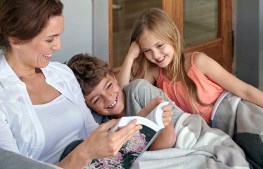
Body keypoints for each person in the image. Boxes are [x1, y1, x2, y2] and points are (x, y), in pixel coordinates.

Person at [0, 0, 159, 168]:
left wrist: (136, 124)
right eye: (49, 40)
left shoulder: (62, 74)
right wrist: (85, 153)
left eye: (59, 35)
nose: (58, 46)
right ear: (15, 39)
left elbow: (92, 132)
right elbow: (12, 165)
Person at [117, 8, 263, 138]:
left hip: (236, 116)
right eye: (147, 50)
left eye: (159, 45)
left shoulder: (197, 62)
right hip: (212, 134)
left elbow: (245, 91)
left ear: (172, 37)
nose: (155, 55)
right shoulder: (156, 74)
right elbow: (126, 92)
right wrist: (130, 56)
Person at [67, 53, 176, 151]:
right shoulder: (104, 126)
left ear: (114, 77)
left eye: (109, 85)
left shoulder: (138, 90)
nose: (108, 98)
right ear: (88, 107)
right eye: (96, 99)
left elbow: (169, 139)